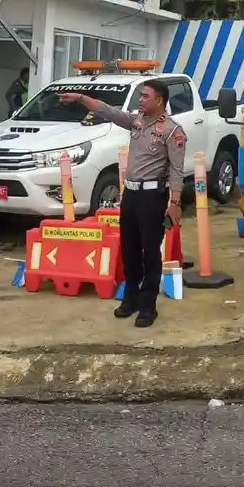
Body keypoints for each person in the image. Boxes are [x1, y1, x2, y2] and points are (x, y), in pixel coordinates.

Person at [58, 81, 184, 327]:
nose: (140, 99)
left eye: (145, 96)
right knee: (130, 250)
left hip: (152, 197)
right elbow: (109, 112)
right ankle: (131, 299)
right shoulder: (137, 121)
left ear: (159, 101)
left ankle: (148, 306)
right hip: (131, 195)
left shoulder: (172, 131)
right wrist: (81, 98)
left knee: (150, 252)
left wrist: (175, 202)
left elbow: (178, 170)